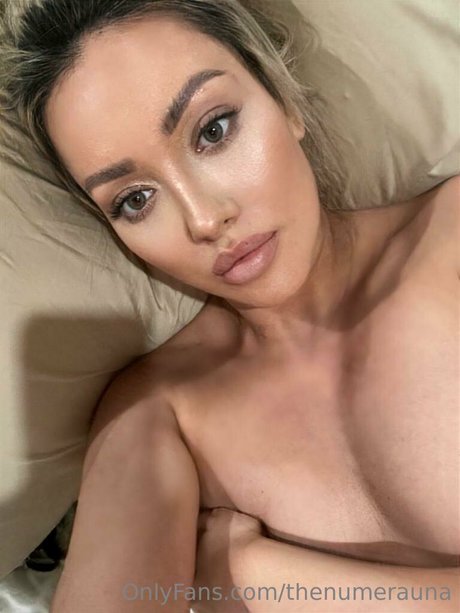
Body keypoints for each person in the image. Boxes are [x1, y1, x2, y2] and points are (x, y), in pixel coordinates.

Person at [1, 0, 459, 611]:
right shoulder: (159, 409)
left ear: (285, 100)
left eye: (213, 130)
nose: (203, 218)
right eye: (135, 199)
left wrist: (257, 572)